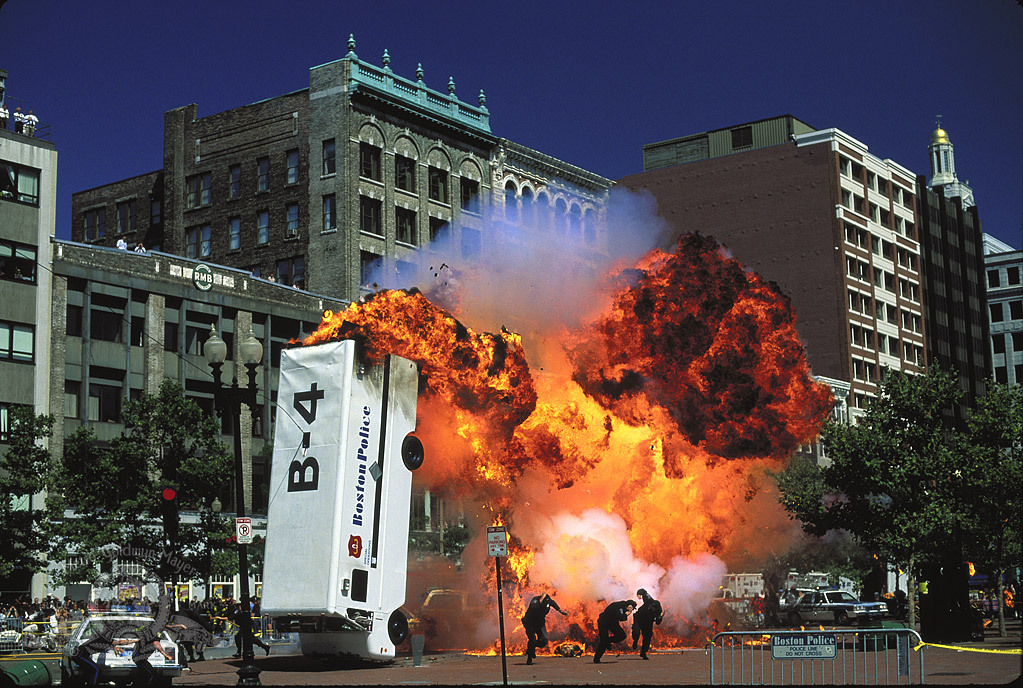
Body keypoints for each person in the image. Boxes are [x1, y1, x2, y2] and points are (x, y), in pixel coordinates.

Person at [521, 592, 567, 665]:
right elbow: (534, 607)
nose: (547, 602)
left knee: (544, 641)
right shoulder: (535, 600)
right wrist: (541, 599)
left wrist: (559, 610)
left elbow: (552, 602)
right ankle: (529, 658)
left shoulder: (548, 601)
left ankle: (531, 648)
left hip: (540, 624)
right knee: (532, 639)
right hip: (530, 622)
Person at [592, 599, 635, 663]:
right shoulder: (620, 607)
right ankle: (596, 659)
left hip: (612, 622)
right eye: (630, 608)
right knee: (603, 641)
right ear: (628, 606)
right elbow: (621, 617)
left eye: (632, 609)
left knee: (622, 635)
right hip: (603, 622)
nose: (631, 610)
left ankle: (608, 641)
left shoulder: (622, 605)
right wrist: (627, 614)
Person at [631, 589, 663, 659]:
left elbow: (658, 622)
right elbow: (644, 593)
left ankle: (643, 653)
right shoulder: (649, 601)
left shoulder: (658, 611)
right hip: (639, 619)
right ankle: (635, 640)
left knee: (647, 637)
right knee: (636, 632)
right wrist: (639, 594)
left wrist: (660, 617)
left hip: (648, 622)